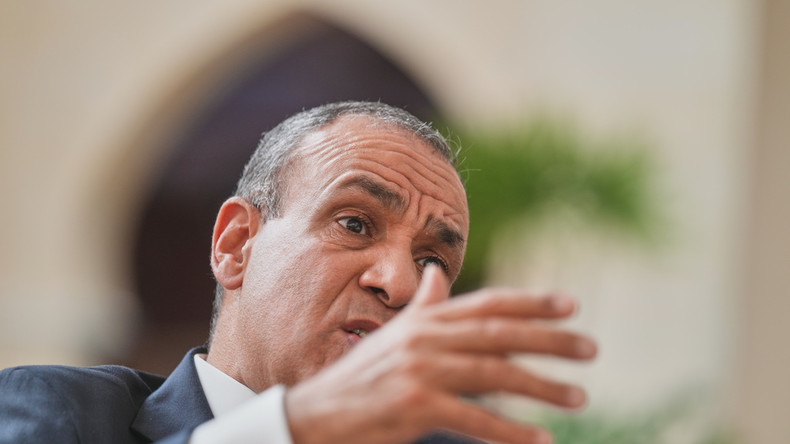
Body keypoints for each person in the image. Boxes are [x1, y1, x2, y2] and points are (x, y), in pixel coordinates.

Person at [0, 101, 597, 444]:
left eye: (432, 261)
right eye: (355, 224)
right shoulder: (55, 410)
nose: (400, 284)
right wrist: (295, 426)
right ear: (236, 244)